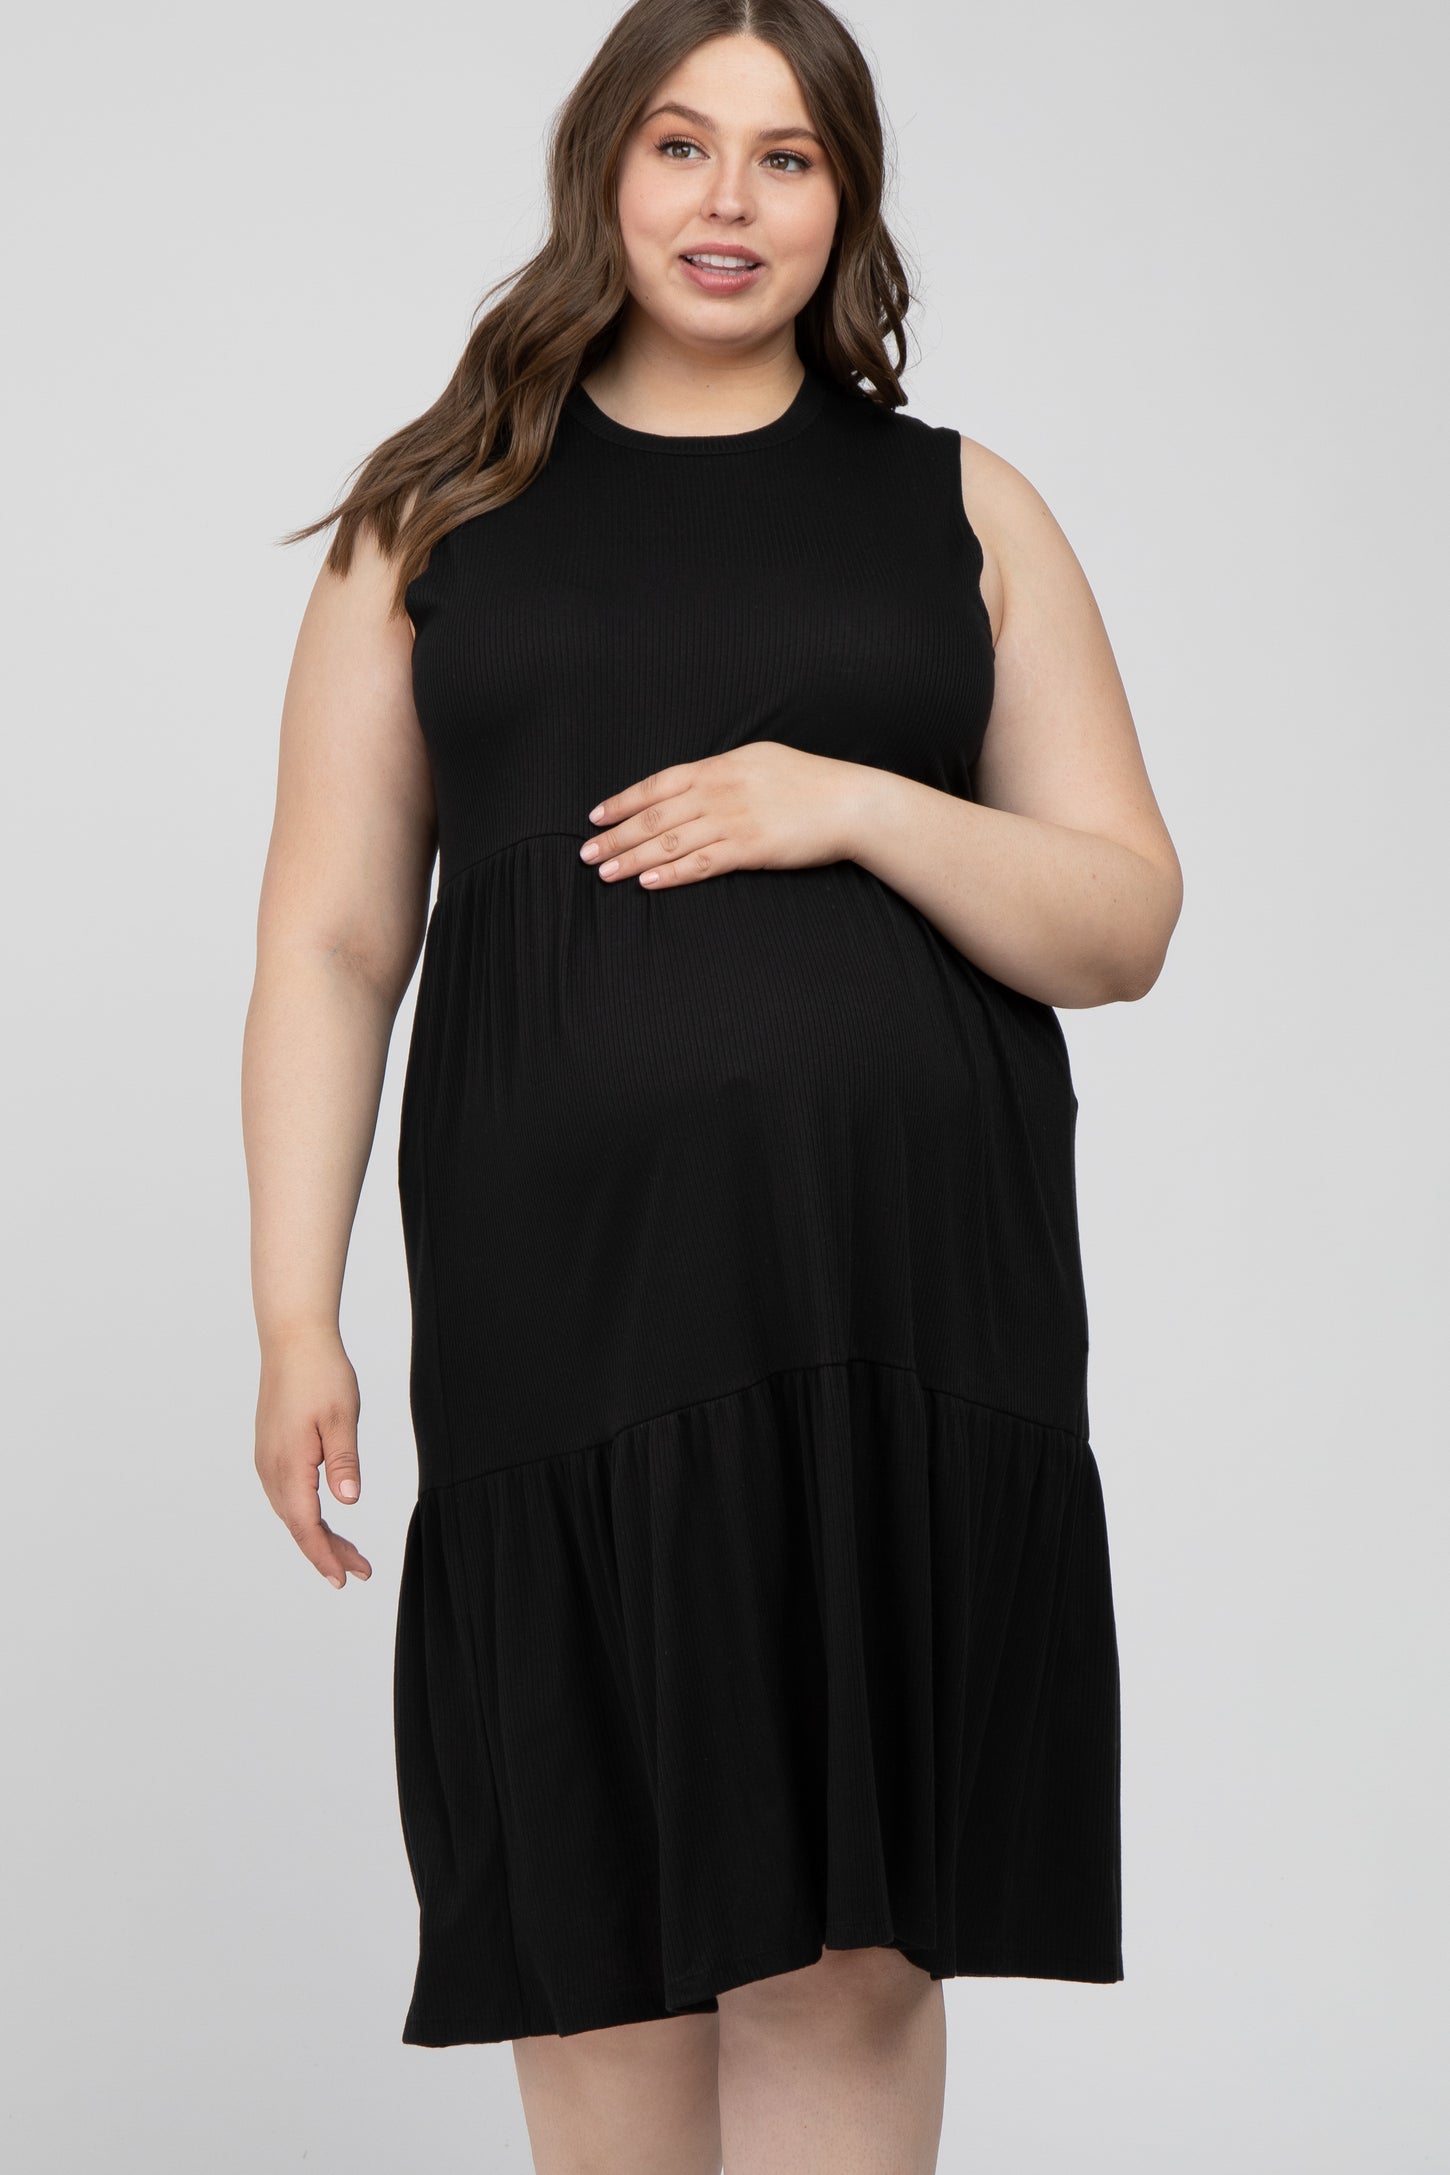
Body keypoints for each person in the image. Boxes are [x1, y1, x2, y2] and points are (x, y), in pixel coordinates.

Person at [241, 1, 1183, 2168]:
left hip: (895, 1313)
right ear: (604, 168)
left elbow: (1119, 918)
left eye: (784, 155)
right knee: (598, 1942)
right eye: (680, 145)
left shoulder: (962, 506)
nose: (727, 201)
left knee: (852, 1955)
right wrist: (294, 1311)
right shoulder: (434, 515)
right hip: (567, 1320)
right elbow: (330, 940)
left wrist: (849, 799)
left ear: (844, 195)